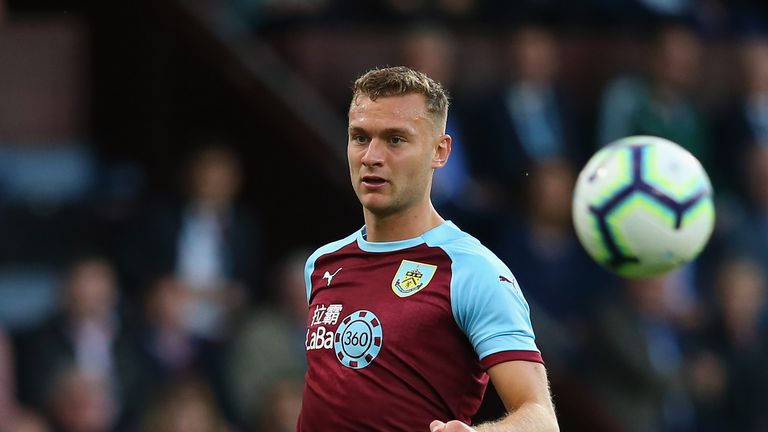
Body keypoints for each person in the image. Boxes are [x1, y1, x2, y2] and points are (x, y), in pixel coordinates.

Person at [297, 66, 558, 431]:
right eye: (360, 137)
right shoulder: (322, 264)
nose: (372, 156)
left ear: (440, 150)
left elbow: (541, 419)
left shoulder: (471, 270)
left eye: (395, 140)